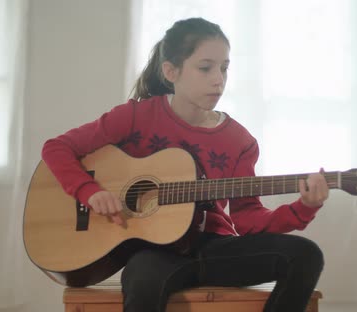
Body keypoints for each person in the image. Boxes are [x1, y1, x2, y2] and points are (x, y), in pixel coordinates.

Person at [42, 17, 328, 312]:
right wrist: (89, 191)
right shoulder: (137, 116)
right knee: (142, 278)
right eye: (206, 68)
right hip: (156, 253)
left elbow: (247, 219)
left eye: (224, 68)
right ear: (171, 71)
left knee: (306, 255)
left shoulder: (240, 140)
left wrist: (303, 208)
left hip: (216, 250)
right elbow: (57, 148)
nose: (219, 79)